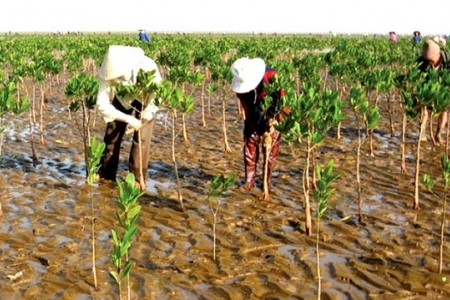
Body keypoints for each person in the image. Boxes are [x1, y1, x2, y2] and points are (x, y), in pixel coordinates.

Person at [96, 45, 162, 190]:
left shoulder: (148, 68)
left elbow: (157, 96)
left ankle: (138, 177)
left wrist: (147, 114)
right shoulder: (106, 71)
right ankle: (105, 172)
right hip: (124, 95)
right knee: (112, 132)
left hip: (146, 95)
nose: (116, 80)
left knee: (142, 138)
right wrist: (128, 119)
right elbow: (102, 105)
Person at [230, 57, 287, 193]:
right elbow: (247, 108)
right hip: (254, 110)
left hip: (273, 111)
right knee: (250, 140)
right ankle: (249, 180)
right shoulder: (241, 88)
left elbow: (283, 102)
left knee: (270, 148)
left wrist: (274, 124)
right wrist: (255, 126)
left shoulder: (272, 76)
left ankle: (266, 182)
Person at [416, 39, 450, 144]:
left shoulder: (448, 59)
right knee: (423, 110)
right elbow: (416, 78)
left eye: (431, 60)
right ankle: (421, 134)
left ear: (439, 54)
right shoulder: (421, 61)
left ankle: (438, 134)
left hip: (444, 88)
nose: (429, 62)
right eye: (427, 60)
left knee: (444, 110)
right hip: (426, 89)